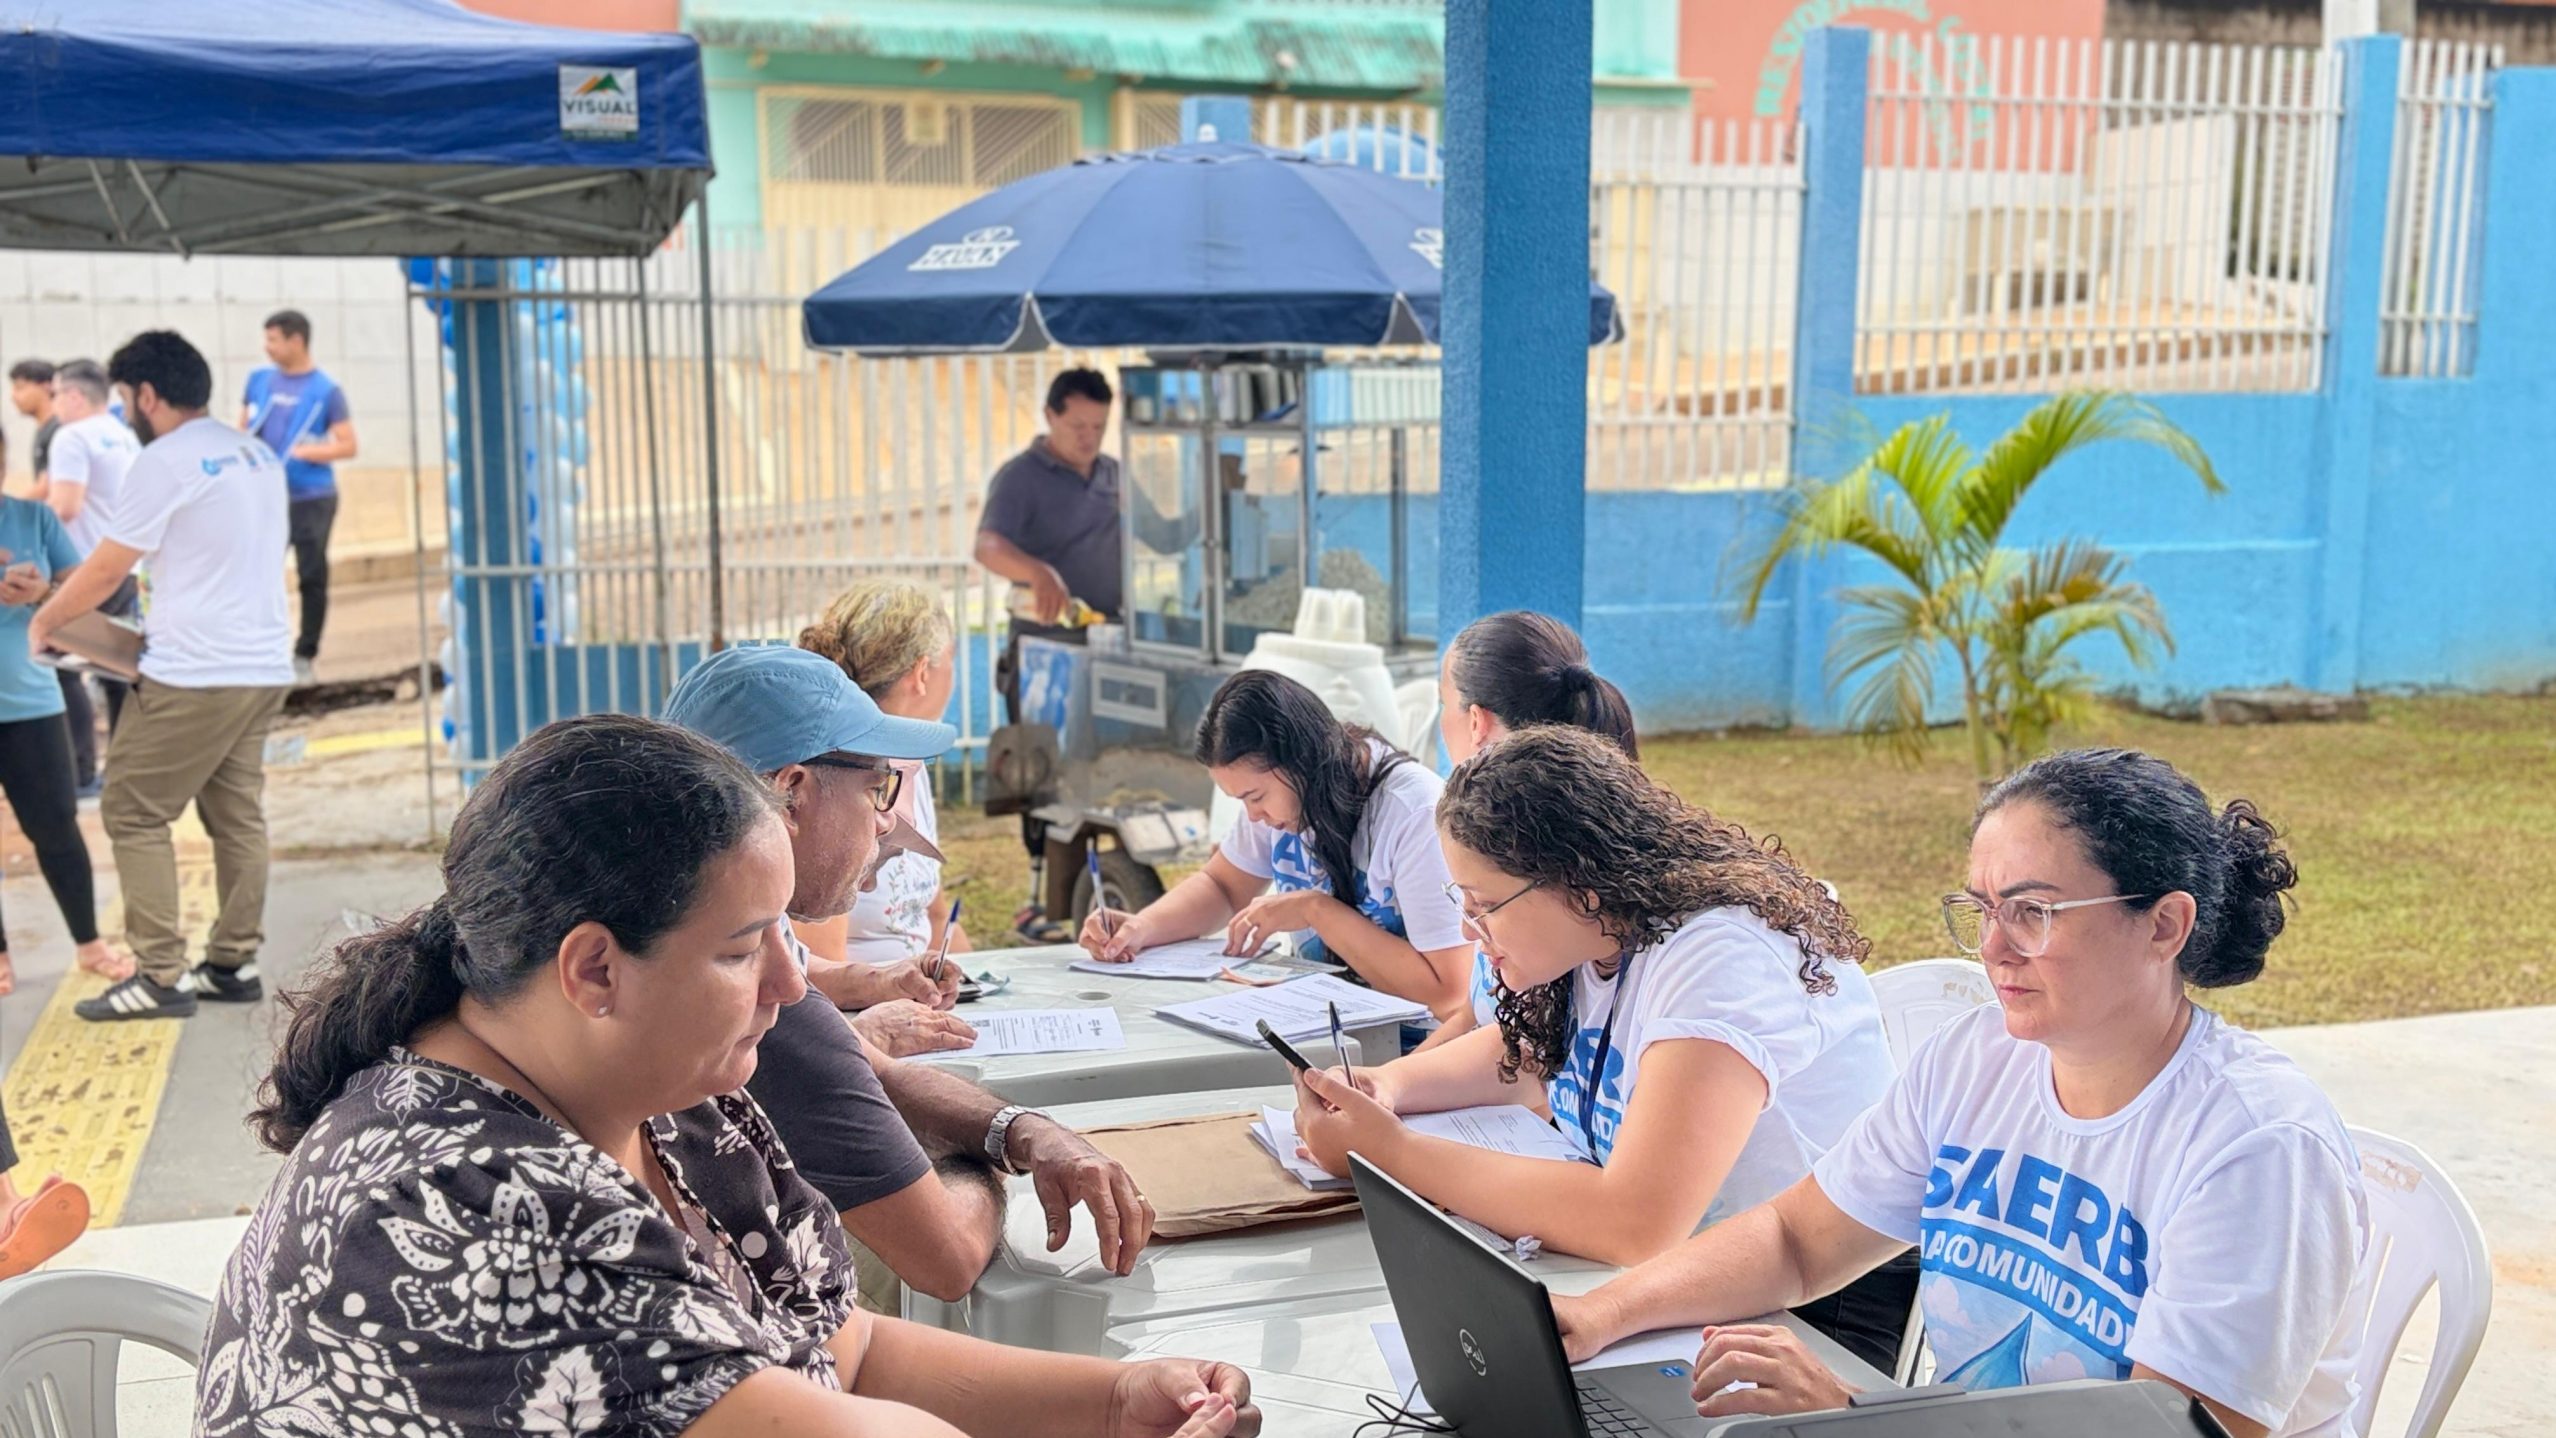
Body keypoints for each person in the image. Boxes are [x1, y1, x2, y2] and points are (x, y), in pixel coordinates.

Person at [202, 714, 1256, 1438]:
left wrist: (1117, 1400)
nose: (795, 984)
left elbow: (847, 1352)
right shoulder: (475, 1207)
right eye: (745, 946)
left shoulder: (672, 1104)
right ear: (595, 969)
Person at [1551, 749, 2369, 1438]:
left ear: (2164, 926)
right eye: (1981, 909)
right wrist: (1606, 1315)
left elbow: (2158, 1430)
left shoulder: (2260, 1149)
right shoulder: (1976, 1060)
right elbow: (1799, 1239)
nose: (1994, 949)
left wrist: (1853, 1414)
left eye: (2034, 912)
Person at [1289, 726, 1908, 1365]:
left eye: (1486, 904)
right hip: (1663, 1285)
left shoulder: (1720, 960)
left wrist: (1389, 1151)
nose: (1472, 932)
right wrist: (1393, 1087)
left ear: (1580, 884)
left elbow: (1635, 1222)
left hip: (1811, 1315)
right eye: (1462, 902)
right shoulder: (1597, 934)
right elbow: (1528, 1052)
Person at [664, 644, 1160, 1301]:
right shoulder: (744, 977)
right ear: (791, 792)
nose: (889, 819)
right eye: (877, 787)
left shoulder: (715, 915)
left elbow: (873, 1071)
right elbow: (947, 1256)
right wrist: (981, 1165)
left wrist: (1023, 1133)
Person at [33, 331, 293, 1023]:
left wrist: (47, 620)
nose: (125, 411)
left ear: (147, 394)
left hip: (196, 671)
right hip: (263, 662)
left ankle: (158, 976)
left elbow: (109, 566)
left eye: (125, 398)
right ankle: (232, 963)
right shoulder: (256, 453)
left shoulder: (167, 459)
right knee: (236, 812)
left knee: (132, 810)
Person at [1081, 669, 1474, 1021]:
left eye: (1255, 797)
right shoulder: (1286, 800)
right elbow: (1222, 886)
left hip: (1412, 1053)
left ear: (1302, 761)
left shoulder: (1414, 814)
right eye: (1242, 802)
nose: (1254, 816)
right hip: (1320, 1030)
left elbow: (1448, 993)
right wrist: (1142, 926)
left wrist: (1316, 911)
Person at [1423, 609, 1642, 1052]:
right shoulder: (1491, 837)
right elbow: (1483, 1014)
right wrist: (1385, 1085)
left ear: (1475, 722)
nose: (1471, 927)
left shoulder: (1552, 859)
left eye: (1444, 704)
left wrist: (1393, 1111)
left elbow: (1530, 1062)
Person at [794, 580, 971, 970]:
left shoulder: (909, 760)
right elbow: (817, 978)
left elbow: (935, 917)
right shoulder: (839, 777)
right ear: (922, 672)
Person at [0, 443, 128, 984]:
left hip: (32, 701)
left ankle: (90, 945)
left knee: (56, 827)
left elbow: (82, 597)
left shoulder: (34, 517)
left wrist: (40, 593)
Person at [36, 359, 141, 794]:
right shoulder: (123, 433)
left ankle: (81, 774)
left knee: (64, 671)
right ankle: (122, 769)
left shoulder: (71, 437)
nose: (54, 403)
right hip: (123, 567)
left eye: (57, 394)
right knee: (115, 671)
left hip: (81, 571)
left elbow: (64, 507)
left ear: (76, 396)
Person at [240, 308, 357, 687]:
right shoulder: (258, 380)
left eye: (273, 339)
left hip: (311, 497)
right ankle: (261, 649)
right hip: (265, 496)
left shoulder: (326, 390)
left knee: (311, 574)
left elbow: (347, 444)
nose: (266, 347)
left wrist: (311, 451)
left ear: (296, 340)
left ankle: (305, 654)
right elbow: (244, 428)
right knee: (258, 572)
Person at [9, 359, 57, 488]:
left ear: (46, 387)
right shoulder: (43, 429)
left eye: (20, 388)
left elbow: (45, 488)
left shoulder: (57, 430)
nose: (13, 396)